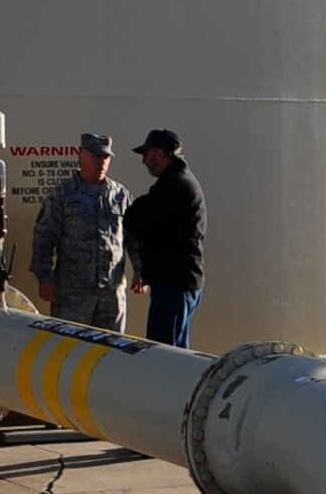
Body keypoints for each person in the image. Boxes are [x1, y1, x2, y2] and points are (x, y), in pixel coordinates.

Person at [27, 132, 135, 330]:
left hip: (111, 295)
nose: (101, 162)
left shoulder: (120, 195)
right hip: (73, 296)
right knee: (69, 351)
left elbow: (134, 238)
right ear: (80, 155)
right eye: (95, 156)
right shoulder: (63, 194)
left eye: (106, 157)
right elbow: (44, 237)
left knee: (112, 352)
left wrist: (141, 271)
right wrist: (44, 278)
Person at [123, 129, 207, 348]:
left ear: (160, 154)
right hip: (180, 283)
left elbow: (135, 219)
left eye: (146, 153)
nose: (143, 160)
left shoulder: (174, 185)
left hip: (174, 286)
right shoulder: (179, 181)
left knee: (163, 357)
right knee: (177, 355)